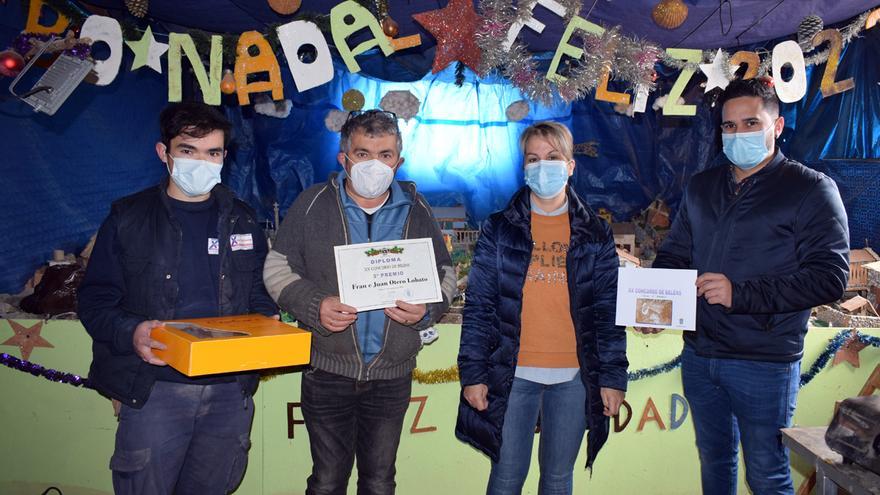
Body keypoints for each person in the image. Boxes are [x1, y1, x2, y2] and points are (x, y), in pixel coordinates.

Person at [646, 78, 850, 494]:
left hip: (764, 360)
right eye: (729, 126)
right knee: (715, 462)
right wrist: (654, 303)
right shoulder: (702, 187)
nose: (738, 134)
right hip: (700, 355)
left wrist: (741, 294)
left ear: (777, 126)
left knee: (767, 473)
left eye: (751, 122)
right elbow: (675, 255)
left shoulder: (810, 189)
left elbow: (830, 276)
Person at [78, 101, 277, 495]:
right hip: (155, 388)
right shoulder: (128, 217)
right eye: (188, 150)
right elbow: (95, 301)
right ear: (164, 153)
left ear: (224, 157)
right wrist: (131, 331)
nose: (201, 162)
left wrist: (268, 327)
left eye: (213, 153)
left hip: (227, 390)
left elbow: (258, 293)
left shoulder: (242, 218)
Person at [263, 109, 456, 494]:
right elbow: (276, 266)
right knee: (327, 480)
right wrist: (314, 304)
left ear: (398, 161)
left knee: (380, 481)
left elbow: (445, 272)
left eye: (385, 155)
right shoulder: (311, 203)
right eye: (363, 153)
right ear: (344, 157)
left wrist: (428, 308)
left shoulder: (417, 210)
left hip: (391, 375)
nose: (374, 164)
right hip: (328, 372)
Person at [455, 121, 628, 494]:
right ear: (523, 168)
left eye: (552, 157)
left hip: (573, 377)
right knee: (505, 477)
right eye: (533, 159)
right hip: (512, 374)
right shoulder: (499, 229)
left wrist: (613, 378)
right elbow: (481, 306)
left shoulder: (595, 232)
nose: (542, 166)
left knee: (557, 478)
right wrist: (473, 373)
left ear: (570, 165)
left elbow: (607, 311)